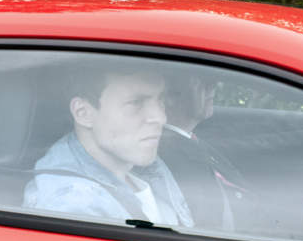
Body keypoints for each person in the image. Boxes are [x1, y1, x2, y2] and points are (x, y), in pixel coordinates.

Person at [23, 60, 192, 226]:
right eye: (136, 103)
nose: (161, 118)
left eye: (160, 100)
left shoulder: (131, 158)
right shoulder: (75, 206)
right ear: (83, 113)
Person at [160, 73, 250, 231]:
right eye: (201, 80)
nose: (213, 85)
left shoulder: (192, 142)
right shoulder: (169, 158)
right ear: (169, 96)